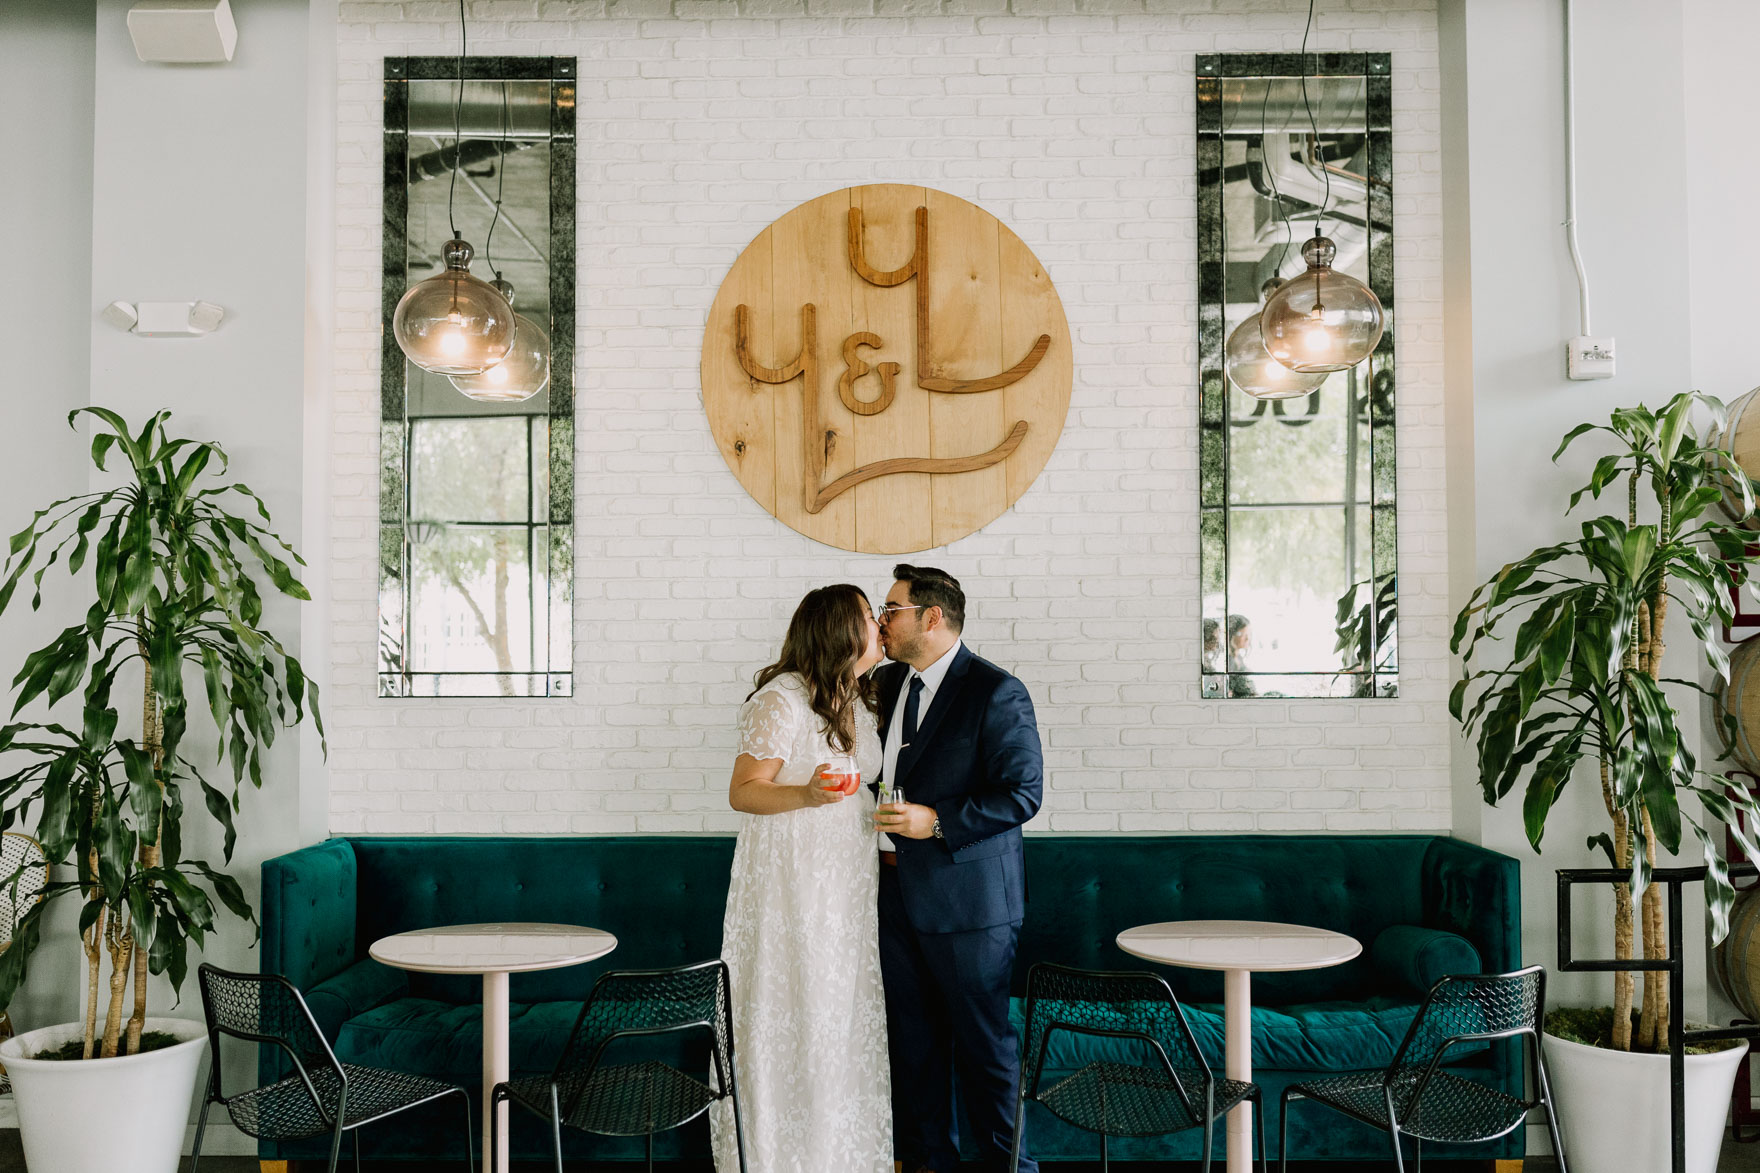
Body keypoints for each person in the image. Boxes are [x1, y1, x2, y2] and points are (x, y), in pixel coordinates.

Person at [710, 585, 892, 1173]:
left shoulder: (859, 699)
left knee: (839, 1010)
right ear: (840, 629)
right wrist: (807, 794)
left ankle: (838, 1155)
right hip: (791, 884)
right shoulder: (781, 699)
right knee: (793, 1002)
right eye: (870, 615)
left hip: (848, 887)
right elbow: (743, 792)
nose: (880, 623)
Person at [870, 564, 1043, 1173]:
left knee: (984, 1051)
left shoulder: (997, 691)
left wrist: (936, 821)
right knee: (912, 1049)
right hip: (891, 894)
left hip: (971, 906)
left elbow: (1023, 793)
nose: (881, 621)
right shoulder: (888, 683)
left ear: (932, 617)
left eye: (891, 609)